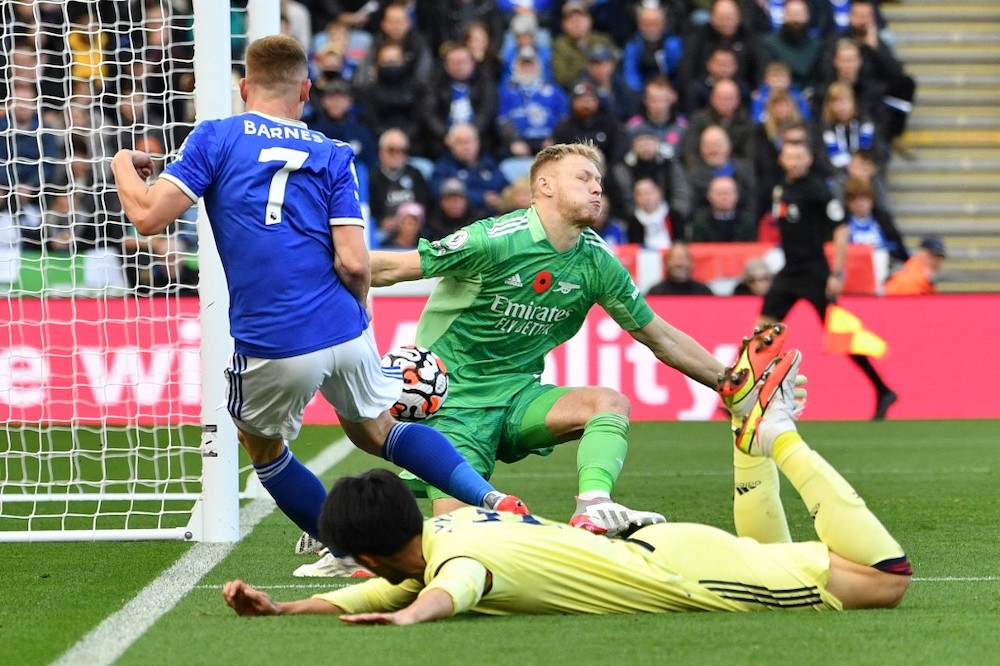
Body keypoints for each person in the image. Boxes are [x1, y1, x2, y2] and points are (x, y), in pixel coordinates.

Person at [111, 34, 527, 577]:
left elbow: (146, 217)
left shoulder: (215, 136)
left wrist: (122, 160)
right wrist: (361, 310)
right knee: (379, 429)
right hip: (345, 326)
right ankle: (490, 498)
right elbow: (355, 261)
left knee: (260, 446)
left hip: (274, 335)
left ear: (243, 88)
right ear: (306, 89)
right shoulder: (333, 154)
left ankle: (344, 547)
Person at [222, 350, 913, 622]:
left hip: (688, 578)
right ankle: (749, 449)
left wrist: (407, 619)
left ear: (371, 551)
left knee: (887, 579)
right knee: (772, 559)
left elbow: (442, 593)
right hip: (671, 551)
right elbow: (381, 586)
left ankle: (777, 438)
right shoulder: (447, 529)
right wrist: (286, 608)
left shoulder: (455, 565)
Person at [367, 142, 761, 537]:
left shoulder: (597, 262)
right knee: (457, 539)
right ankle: (352, 525)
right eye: (583, 178)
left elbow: (663, 339)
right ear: (545, 185)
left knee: (608, 402)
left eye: (599, 182)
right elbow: (387, 269)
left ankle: (594, 507)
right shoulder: (493, 240)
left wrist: (732, 384)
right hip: (455, 409)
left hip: (519, 398)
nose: (596, 189)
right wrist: (318, 271)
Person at [761, 140, 897, 420]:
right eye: (790, 156)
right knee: (761, 333)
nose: (794, 161)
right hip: (790, 272)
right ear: (782, 160)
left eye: (800, 156)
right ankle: (744, 397)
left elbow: (841, 227)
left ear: (808, 159)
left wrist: (837, 273)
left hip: (815, 274)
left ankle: (882, 389)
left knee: (841, 338)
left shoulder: (817, 189)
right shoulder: (781, 188)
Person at [647, 243, 715, 296]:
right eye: (674, 259)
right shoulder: (655, 293)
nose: (679, 263)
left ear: (692, 263)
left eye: (683, 258)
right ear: (666, 264)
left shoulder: (704, 293)